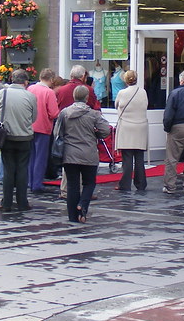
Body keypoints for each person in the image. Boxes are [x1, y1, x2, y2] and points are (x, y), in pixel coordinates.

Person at [55, 85, 111, 223]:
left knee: (72, 185)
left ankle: (72, 217)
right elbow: (106, 130)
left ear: (74, 97)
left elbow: (57, 132)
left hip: (70, 153)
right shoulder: (94, 114)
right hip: (89, 153)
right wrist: (96, 134)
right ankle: (83, 205)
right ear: (86, 98)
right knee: (89, 183)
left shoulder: (64, 113)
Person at [0, 69, 37, 212]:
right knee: (22, 169)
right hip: (25, 137)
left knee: (8, 169)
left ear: (12, 79)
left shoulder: (3, 93)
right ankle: (22, 202)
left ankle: (6, 203)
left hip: (7, 136)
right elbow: (34, 117)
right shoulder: (30, 96)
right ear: (25, 82)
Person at [114, 69, 149, 191]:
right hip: (140, 127)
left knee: (127, 157)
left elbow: (116, 105)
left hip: (126, 127)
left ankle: (125, 184)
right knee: (139, 157)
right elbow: (146, 105)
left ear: (125, 80)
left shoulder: (122, 93)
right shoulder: (143, 92)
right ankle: (141, 183)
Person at [28, 68, 60, 192]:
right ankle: (37, 184)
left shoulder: (30, 89)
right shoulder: (49, 92)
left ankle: (30, 181)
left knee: (31, 156)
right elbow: (53, 113)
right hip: (43, 127)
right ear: (51, 79)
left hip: (30, 126)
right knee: (41, 157)